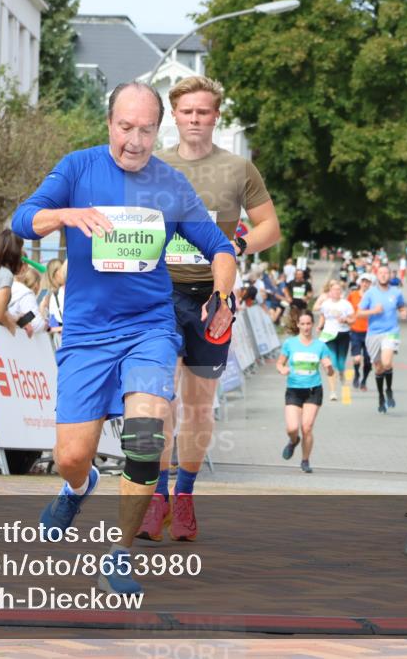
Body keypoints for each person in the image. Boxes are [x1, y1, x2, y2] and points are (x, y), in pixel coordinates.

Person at [11, 81, 236, 595]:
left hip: (149, 329)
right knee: (71, 456)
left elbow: (221, 247)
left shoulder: (171, 185)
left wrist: (219, 295)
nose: (135, 140)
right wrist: (65, 215)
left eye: (147, 129)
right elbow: (22, 220)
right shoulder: (78, 168)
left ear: (161, 129)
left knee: (145, 436)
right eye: (125, 127)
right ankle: (77, 486)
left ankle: (120, 551)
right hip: (88, 334)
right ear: (109, 123)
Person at [136, 76, 281, 543]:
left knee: (198, 405)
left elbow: (270, 228)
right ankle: (155, 497)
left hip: (211, 299)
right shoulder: (152, 166)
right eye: (186, 112)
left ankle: (185, 495)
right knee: (158, 402)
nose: (195, 119)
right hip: (158, 295)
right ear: (172, 117)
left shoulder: (238, 168)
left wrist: (231, 244)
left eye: (204, 112)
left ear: (216, 116)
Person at [276, 311, 334, 473]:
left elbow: (330, 373)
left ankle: (305, 460)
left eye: (309, 324)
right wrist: (282, 369)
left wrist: (329, 366)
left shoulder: (320, 346)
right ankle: (293, 441)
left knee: (307, 427)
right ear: (298, 325)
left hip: (313, 390)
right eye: (303, 324)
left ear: (313, 325)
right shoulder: (290, 343)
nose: (306, 327)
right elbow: (280, 363)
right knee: (292, 428)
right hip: (294, 389)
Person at [356, 265, 407, 414]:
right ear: (377, 275)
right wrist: (374, 311)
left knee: (386, 362)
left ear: (390, 275)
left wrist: (404, 313)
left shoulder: (396, 292)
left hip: (391, 332)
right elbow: (359, 313)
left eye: (386, 273)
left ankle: (389, 389)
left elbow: (402, 307)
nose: (384, 275)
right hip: (373, 334)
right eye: (381, 273)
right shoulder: (370, 293)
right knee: (378, 368)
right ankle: (380, 396)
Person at [315, 280, 353, 401]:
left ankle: (342, 373)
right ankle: (332, 392)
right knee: (333, 363)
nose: (336, 292)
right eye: (334, 290)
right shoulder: (325, 304)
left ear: (341, 292)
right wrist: (320, 326)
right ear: (330, 292)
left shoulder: (346, 304)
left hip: (343, 334)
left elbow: (353, 319)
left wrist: (346, 320)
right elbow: (322, 316)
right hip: (329, 335)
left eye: (338, 290)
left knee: (341, 364)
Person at [347, 273, 374, 391]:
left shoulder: (373, 297)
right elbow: (346, 309)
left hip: (370, 332)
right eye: (363, 281)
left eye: (367, 282)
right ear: (359, 282)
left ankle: (364, 380)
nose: (365, 284)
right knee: (357, 358)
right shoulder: (353, 295)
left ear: (370, 284)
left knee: (368, 360)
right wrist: (347, 319)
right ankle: (357, 373)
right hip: (355, 330)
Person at [8, 265, 45, 336]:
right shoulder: (27, 295)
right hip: (16, 338)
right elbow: (37, 324)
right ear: (37, 285)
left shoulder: (10, 288)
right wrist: (43, 309)